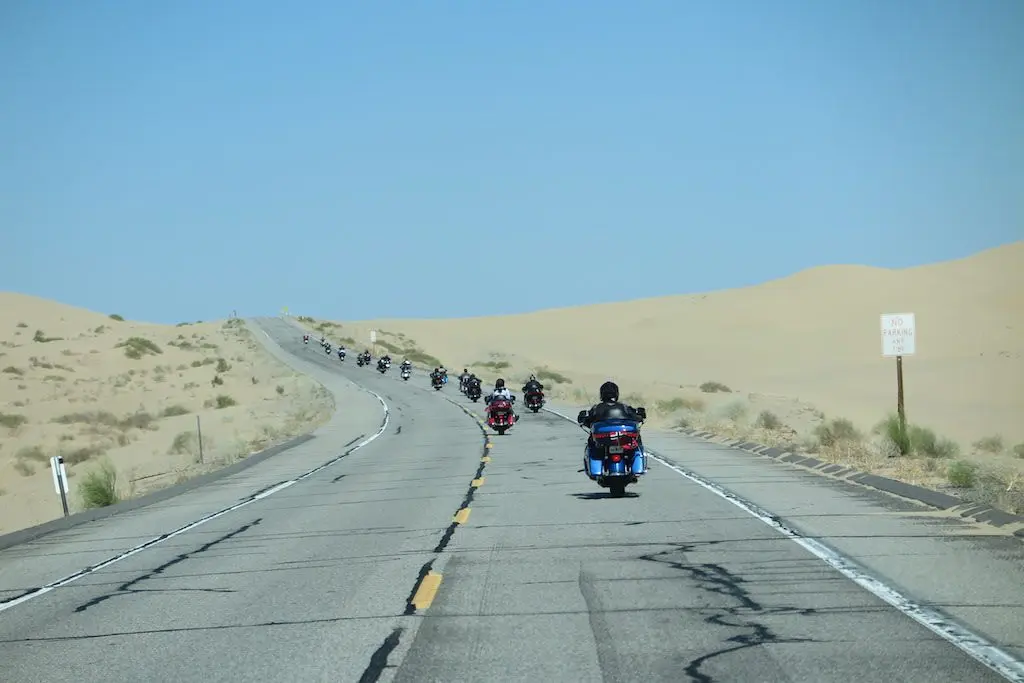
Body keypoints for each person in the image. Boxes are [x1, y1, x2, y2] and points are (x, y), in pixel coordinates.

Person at [578, 381, 646, 474]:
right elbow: (636, 416)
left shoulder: (597, 408)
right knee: (636, 441)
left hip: (603, 440)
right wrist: (640, 416)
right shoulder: (624, 407)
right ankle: (636, 464)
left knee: (592, 442)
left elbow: (587, 419)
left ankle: (594, 466)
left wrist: (584, 419)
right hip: (623, 437)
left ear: (601, 394)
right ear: (616, 393)